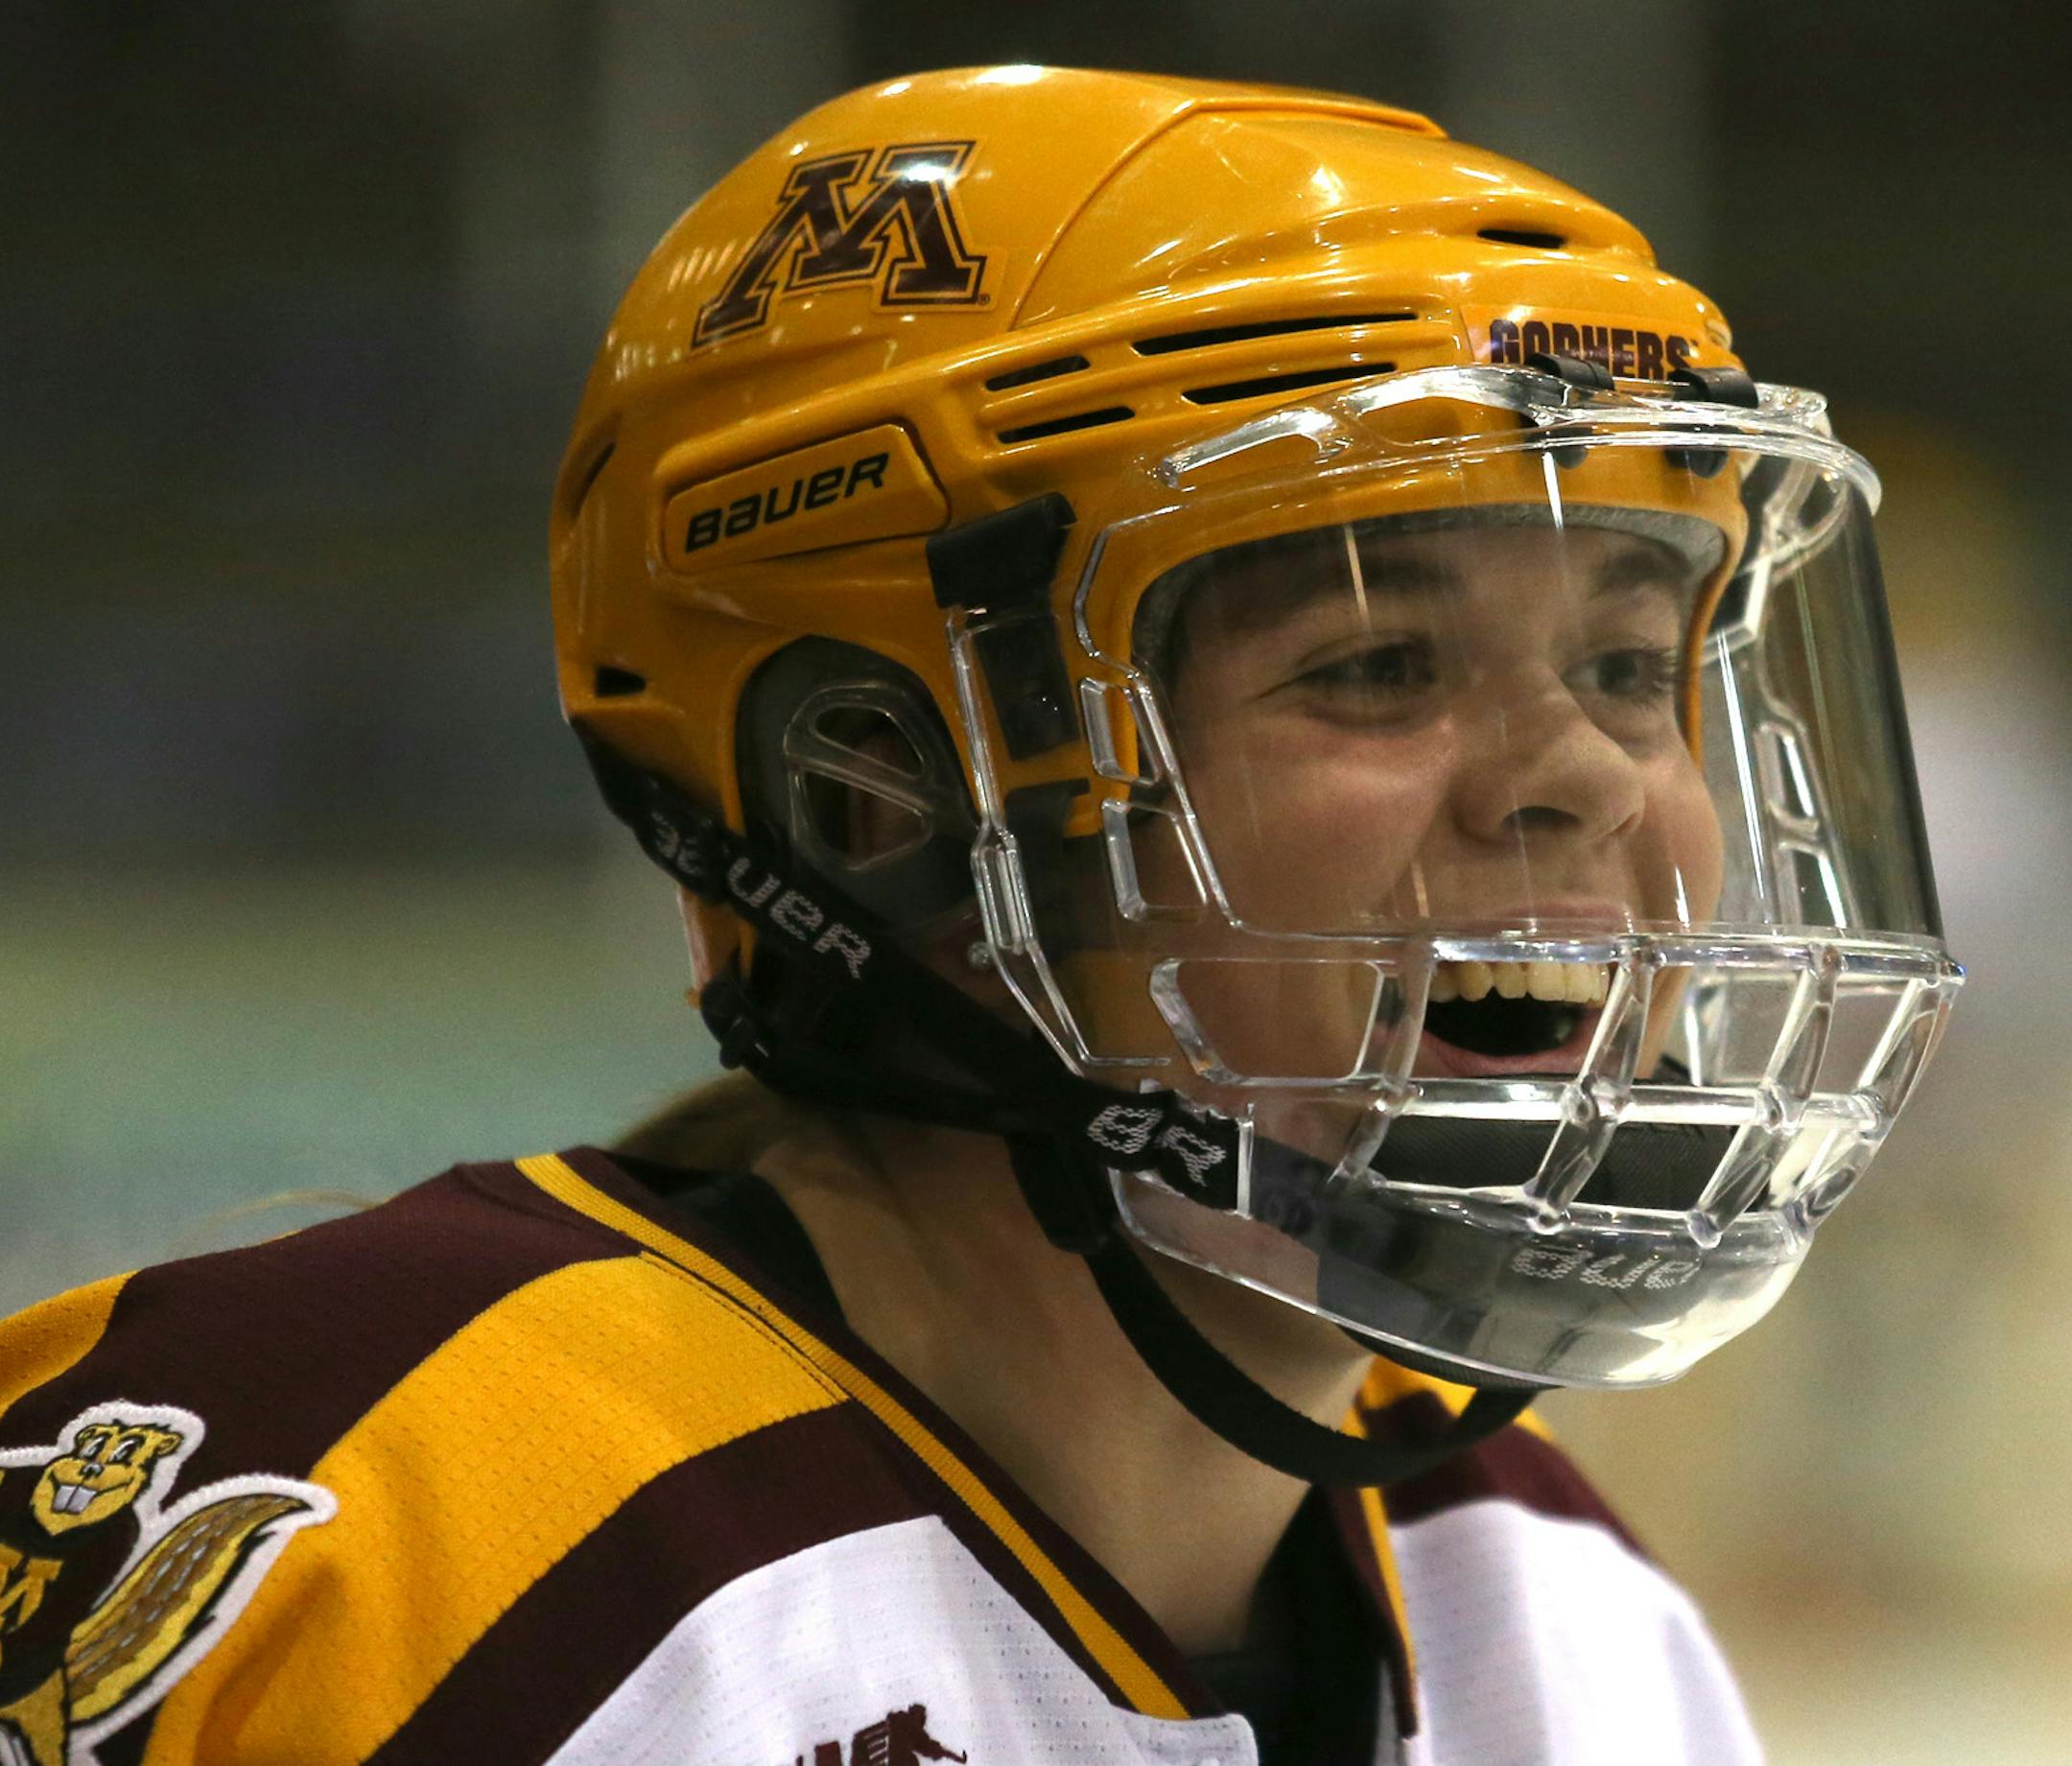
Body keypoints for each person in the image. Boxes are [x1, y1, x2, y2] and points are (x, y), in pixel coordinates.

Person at [0, 66, 1961, 1766]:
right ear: (880, 798)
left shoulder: (1546, 1607)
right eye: (1375, 664)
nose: (1588, 778)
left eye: (1631, 669)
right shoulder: (389, 1528)